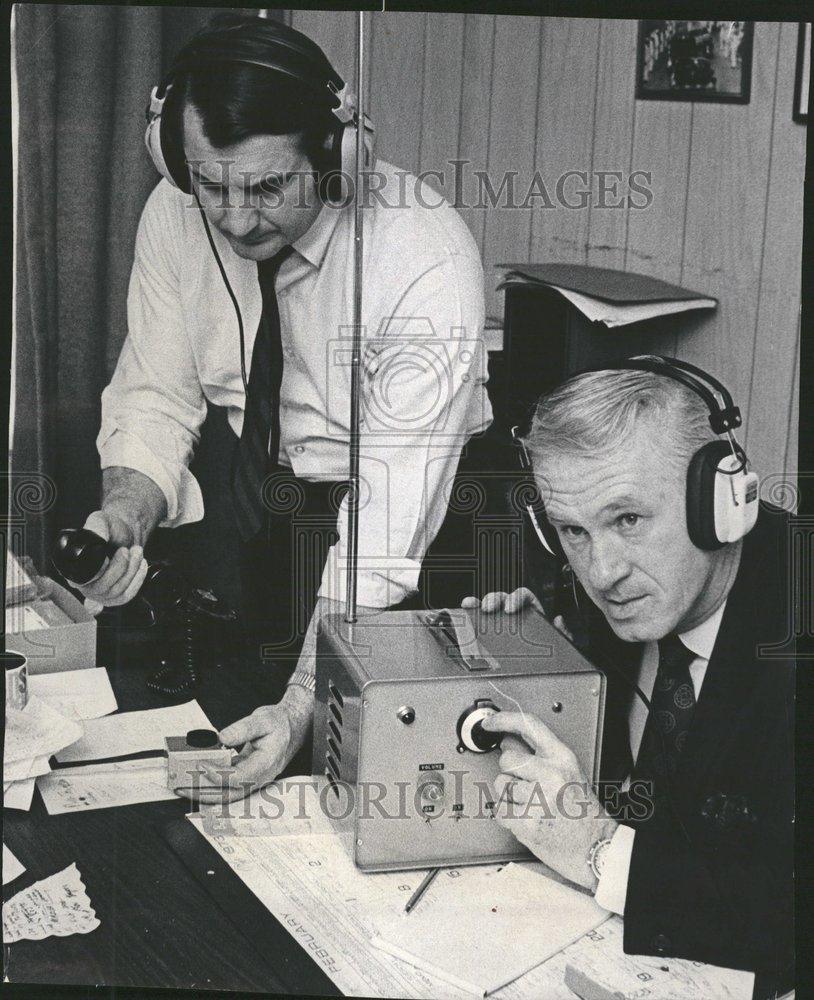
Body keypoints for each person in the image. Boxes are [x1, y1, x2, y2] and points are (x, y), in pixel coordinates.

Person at [68, 14, 491, 800]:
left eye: (266, 187)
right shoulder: (175, 209)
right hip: (262, 505)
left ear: (335, 158)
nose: (233, 218)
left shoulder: (424, 255)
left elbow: (386, 524)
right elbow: (157, 393)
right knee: (218, 759)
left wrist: (304, 704)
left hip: (411, 530)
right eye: (212, 185)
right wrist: (123, 516)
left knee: (362, 778)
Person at [463, 365, 793, 992]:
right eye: (572, 531)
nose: (602, 571)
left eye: (629, 520)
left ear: (721, 503)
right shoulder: (600, 594)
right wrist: (546, 669)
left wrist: (597, 850)